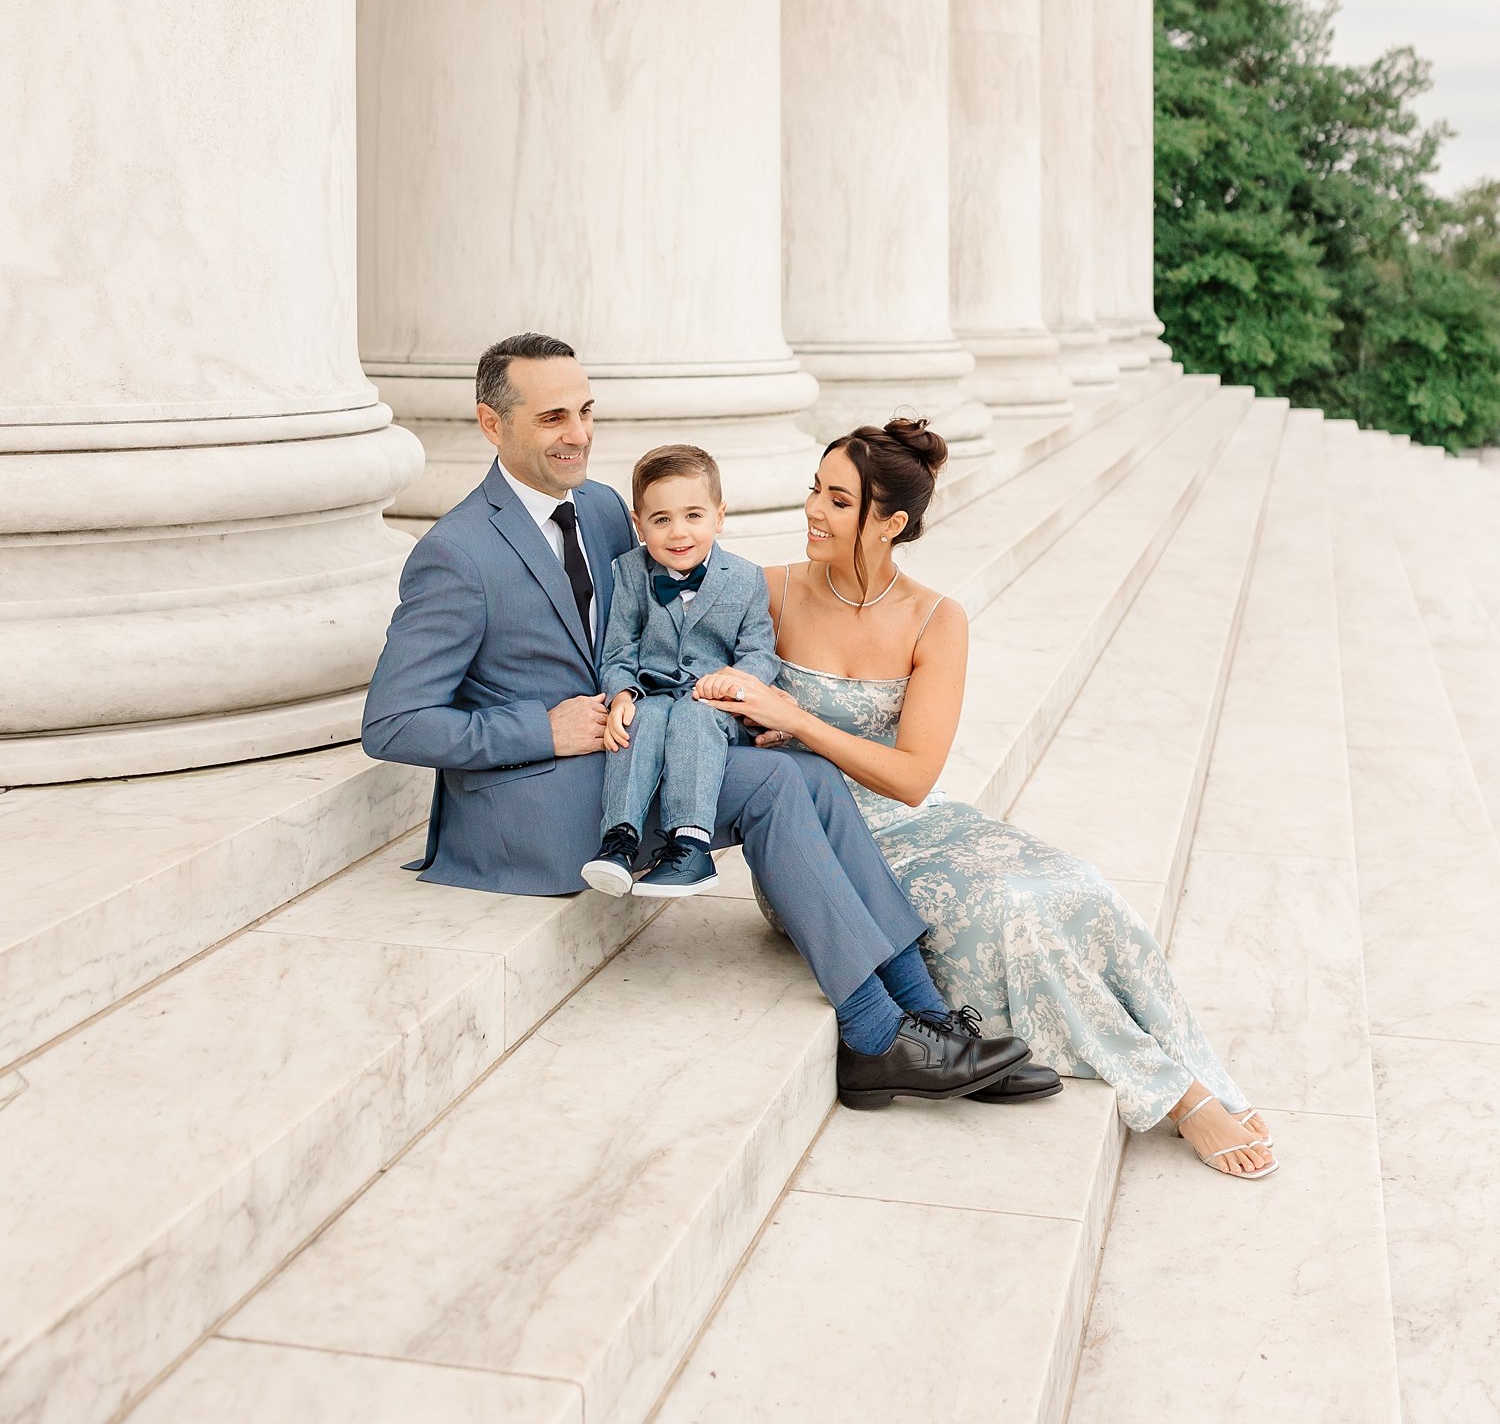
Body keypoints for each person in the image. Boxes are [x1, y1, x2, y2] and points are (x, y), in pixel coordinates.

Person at [361, 333, 1043, 1111]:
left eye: (584, 412)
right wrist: (541, 730)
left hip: (633, 749)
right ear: (492, 424)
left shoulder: (601, 507)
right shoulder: (456, 552)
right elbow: (391, 724)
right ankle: (873, 1032)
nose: (578, 434)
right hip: (533, 798)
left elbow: (671, 609)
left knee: (810, 769)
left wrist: (738, 697)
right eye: (552, 417)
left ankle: (923, 1016)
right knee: (775, 790)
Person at [696, 417, 1279, 1177]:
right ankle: (1179, 1096)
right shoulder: (768, 592)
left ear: (890, 524)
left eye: (839, 501)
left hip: (918, 823)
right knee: (1014, 914)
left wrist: (797, 718)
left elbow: (913, 779)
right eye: (816, 489)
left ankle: (1204, 1071)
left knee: (1080, 887)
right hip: (817, 850)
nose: (813, 510)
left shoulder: (936, 619)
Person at [583, 443, 779, 900]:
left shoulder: (746, 578)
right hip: (651, 695)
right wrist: (622, 694)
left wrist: (735, 680)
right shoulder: (629, 572)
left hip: (711, 705)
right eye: (661, 519)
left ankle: (691, 847)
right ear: (639, 524)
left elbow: (761, 653)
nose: (679, 533)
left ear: (719, 515)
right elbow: (618, 650)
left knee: (691, 718)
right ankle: (619, 841)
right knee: (640, 720)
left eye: (694, 515)